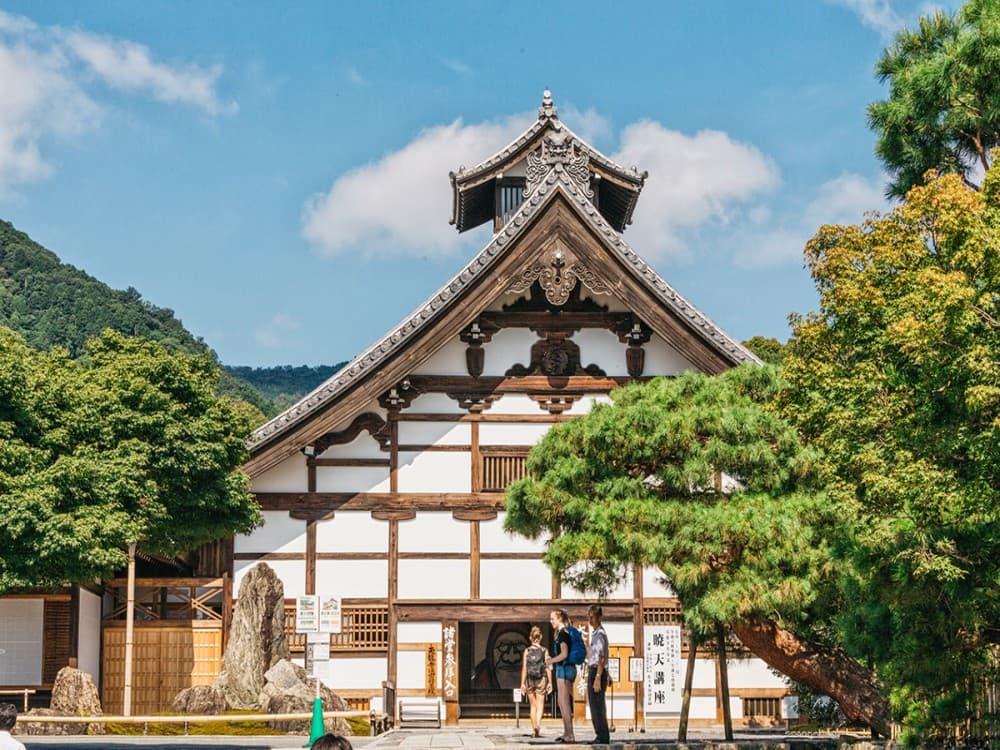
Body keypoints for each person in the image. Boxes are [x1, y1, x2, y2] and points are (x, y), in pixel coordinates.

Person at [545, 609, 575, 743]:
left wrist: (551, 661)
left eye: (553, 619)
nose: (551, 621)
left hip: (564, 668)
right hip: (563, 668)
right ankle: (566, 732)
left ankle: (570, 733)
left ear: (559, 619)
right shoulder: (562, 633)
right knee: (561, 702)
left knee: (564, 702)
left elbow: (564, 654)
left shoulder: (563, 633)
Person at [520, 625, 552, 737]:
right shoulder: (544, 651)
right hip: (541, 679)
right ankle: (538, 725)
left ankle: (534, 729)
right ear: (541, 637)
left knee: (532, 706)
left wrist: (522, 684)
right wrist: (550, 682)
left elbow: (524, 668)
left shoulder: (527, 651)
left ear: (530, 638)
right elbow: (548, 667)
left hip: (529, 679)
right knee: (540, 705)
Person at [586, 604, 610, 745]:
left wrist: (598, 677)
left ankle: (603, 736)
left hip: (597, 671)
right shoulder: (595, 634)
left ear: (599, 617)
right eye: (589, 616)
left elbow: (601, 657)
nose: (590, 619)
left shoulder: (600, 634)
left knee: (598, 705)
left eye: (592, 616)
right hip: (594, 669)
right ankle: (599, 734)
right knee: (594, 705)